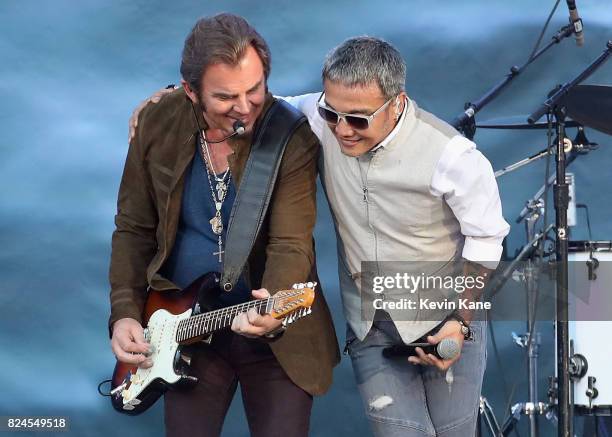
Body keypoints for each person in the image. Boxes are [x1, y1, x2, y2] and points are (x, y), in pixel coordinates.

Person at [130, 36, 510, 437]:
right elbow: (248, 101)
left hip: (447, 314)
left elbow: (486, 243)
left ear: (398, 102)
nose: (342, 130)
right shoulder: (316, 116)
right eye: (333, 114)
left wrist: (461, 321)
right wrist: (172, 99)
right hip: (371, 322)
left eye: (359, 119)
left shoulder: (454, 158)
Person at [109, 13, 339, 437]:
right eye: (226, 97)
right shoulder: (158, 122)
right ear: (190, 90)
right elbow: (133, 228)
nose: (246, 106)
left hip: (273, 336)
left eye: (255, 89)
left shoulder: (291, 137)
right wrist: (124, 313)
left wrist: (276, 306)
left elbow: (291, 244)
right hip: (182, 329)